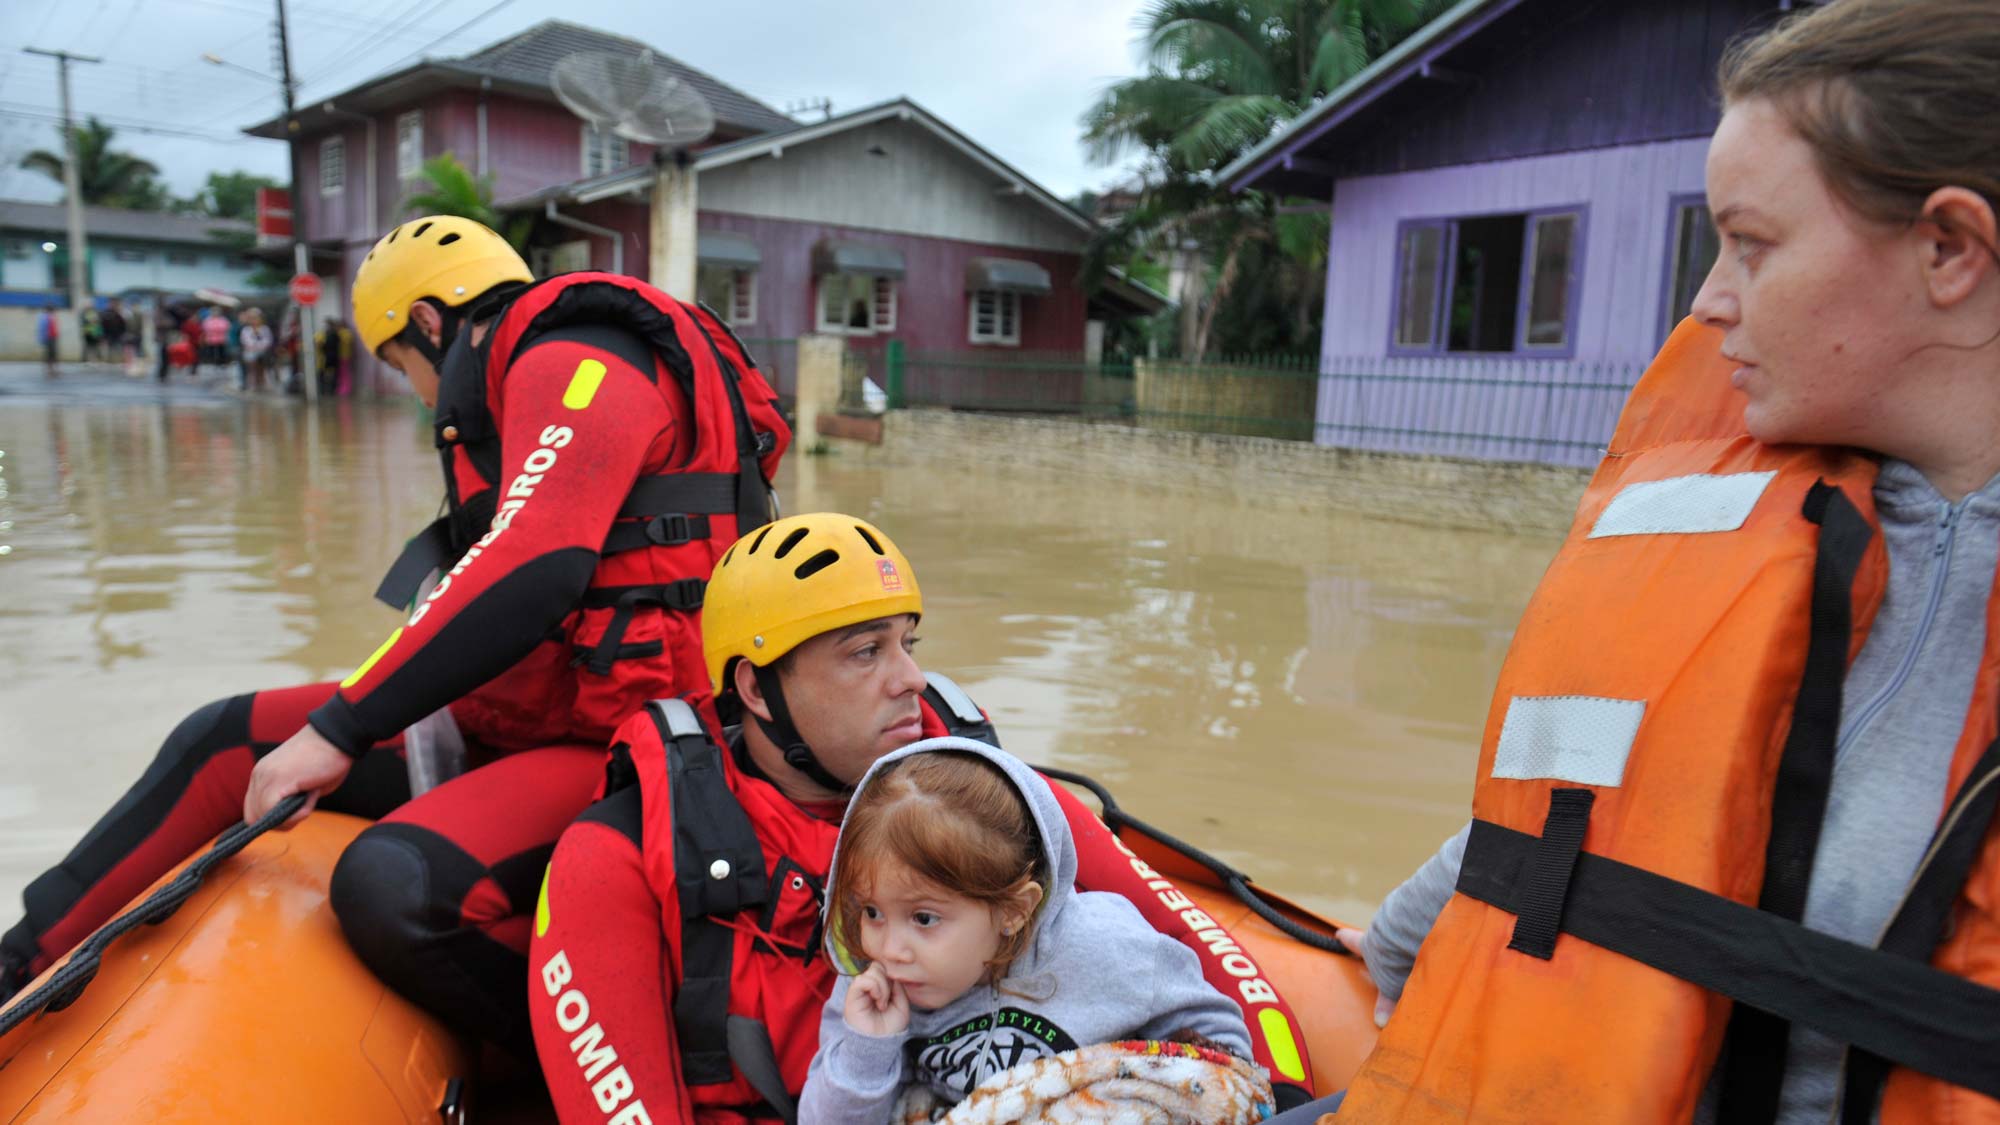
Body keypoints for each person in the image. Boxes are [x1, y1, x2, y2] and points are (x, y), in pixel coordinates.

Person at [1292, 3, 2000, 1122]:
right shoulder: (1771, 513)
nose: (1705, 301)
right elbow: (1596, 789)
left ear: (1947, 248)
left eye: (1750, 244)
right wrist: (1397, 938)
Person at [0, 216, 791, 1060]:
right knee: (221, 738)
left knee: (396, 887)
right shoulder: (518, 385)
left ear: (427, 321)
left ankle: (599, 1047)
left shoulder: (572, 356)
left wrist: (341, 727)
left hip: (629, 748)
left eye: (397, 361)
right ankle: (20, 969)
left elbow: (537, 564)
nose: (414, 389)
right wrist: (343, 717)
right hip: (542, 719)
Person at [529, 513, 1319, 1124]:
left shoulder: (984, 798)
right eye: (864, 651)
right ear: (758, 689)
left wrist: (1280, 1091)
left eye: (907, 642)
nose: (912, 678)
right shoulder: (615, 855)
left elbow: (1198, 949)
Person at [800, 740, 1252, 1122]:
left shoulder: (1110, 949)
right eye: (872, 911)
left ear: (1014, 911)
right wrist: (868, 1051)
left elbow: (1223, 1060)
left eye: (923, 919)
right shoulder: (871, 996)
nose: (889, 948)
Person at [238, 308, 272, 392]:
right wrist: (254, 346)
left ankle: (261, 381)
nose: (254, 320)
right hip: (250, 352)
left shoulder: (265, 329)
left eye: (256, 318)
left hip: (263, 352)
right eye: (252, 318)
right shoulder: (246, 330)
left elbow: (268, 341)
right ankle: (251, 382)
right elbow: (246, 341)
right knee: (251, 361)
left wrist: (259, 346)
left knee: (262, 363)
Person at [200, 307, 230, 374]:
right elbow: (206, 327)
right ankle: (212, 363)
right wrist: (215, 330)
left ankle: (222, 364)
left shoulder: (222, 319)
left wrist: (216, 329)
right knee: (211, 352)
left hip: (221, 339)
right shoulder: (208, 319)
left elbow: (225, 327)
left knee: (221, 352)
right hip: (211, 339)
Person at [34, 303, 59, 377]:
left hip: (53, 337)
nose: (53, 312)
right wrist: (42, 338)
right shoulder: (44, 317)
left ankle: (53, 369)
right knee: (49, 354)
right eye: (52, 310)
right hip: (48, 337)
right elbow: (41, 329)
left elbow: (54, 327)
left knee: (53, 353)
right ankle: (49, 370)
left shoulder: (51, 317)